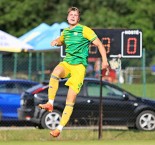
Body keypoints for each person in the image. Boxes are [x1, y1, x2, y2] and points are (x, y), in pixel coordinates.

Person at [39, 6, 109, 137]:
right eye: (71, 15)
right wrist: (56, 41)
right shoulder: (65, 31)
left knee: (70, 99)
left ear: (78, 18)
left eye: (75, 15)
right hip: (67, 63)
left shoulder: (85, 30)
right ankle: (50, 103)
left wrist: (104, 61)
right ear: (67, 17)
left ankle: (58, 129)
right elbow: (61, 40)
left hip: (79, 68)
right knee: (55, 72)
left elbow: (99, 44)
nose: (72, 17)